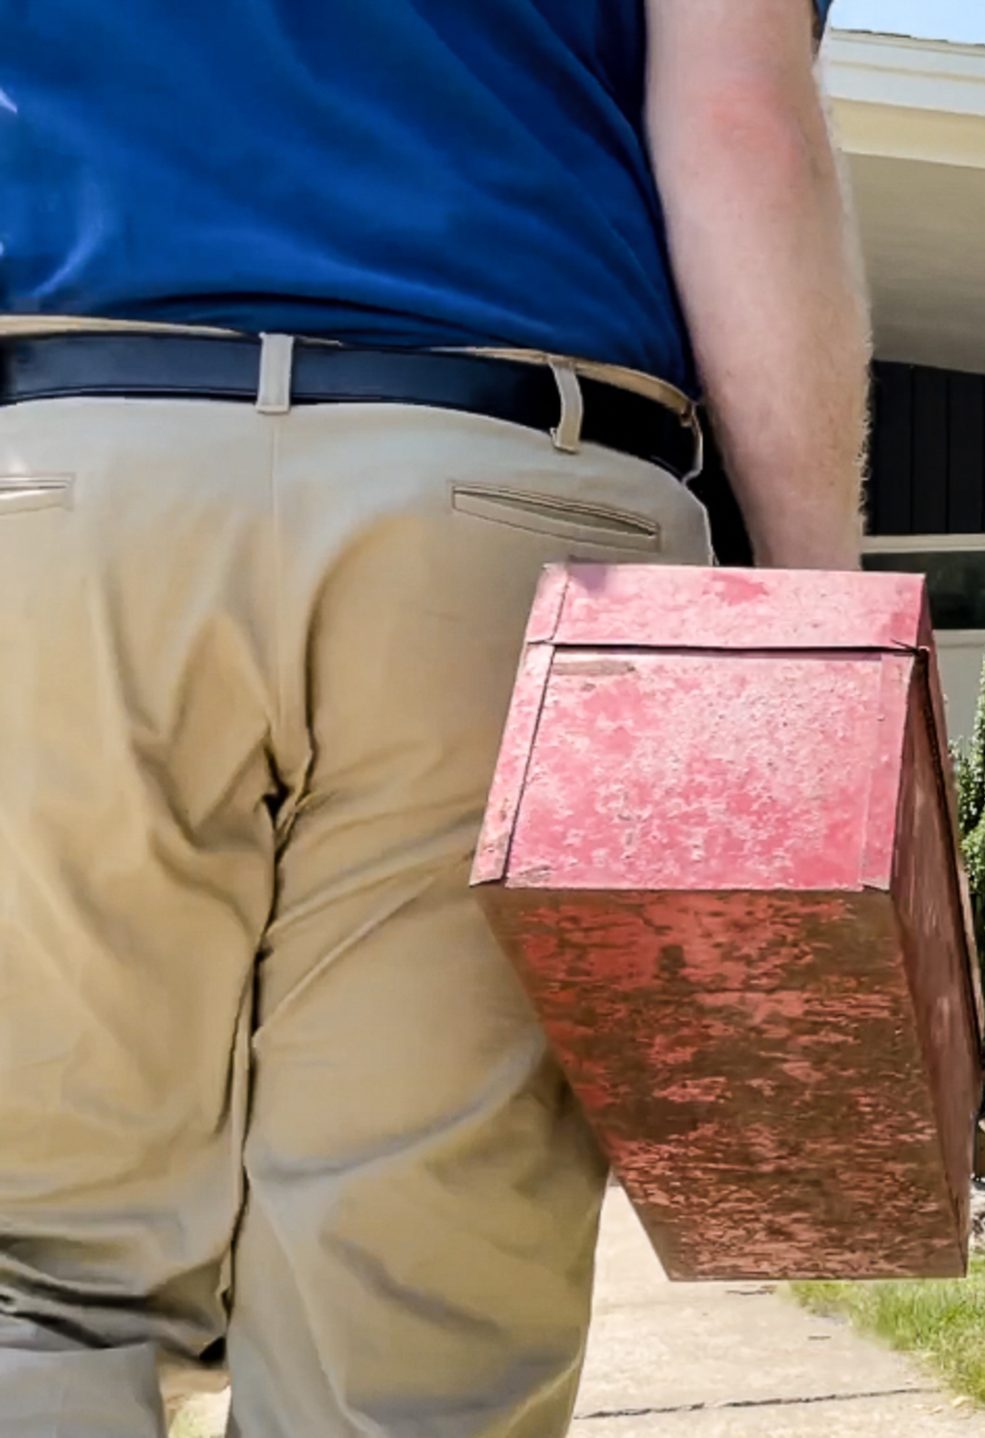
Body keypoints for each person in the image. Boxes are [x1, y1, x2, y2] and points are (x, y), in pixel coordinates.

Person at [0, 1, 870, 1433]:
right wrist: (816, 646)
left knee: (31, 1278)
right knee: (419, 1314)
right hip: (514, 490)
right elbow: (739, 125)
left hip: (70, 466)